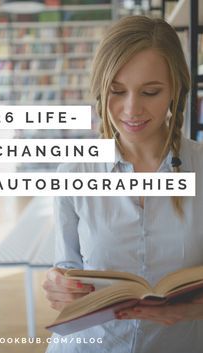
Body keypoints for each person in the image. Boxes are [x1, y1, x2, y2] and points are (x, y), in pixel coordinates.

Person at [43, 15, 203, 353]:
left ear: (175, 88)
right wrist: (61, 287)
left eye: (151, 92)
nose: (131, 109)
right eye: (117, 91)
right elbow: (68, 267)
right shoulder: (74, 171)